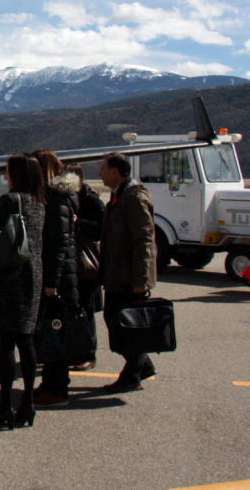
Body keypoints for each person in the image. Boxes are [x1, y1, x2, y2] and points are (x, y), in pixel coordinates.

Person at [0, 154, 45, 428]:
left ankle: (5, 407)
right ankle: (27, 404)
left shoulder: (9, 201)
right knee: (26, 340)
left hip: (8, 277)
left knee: (5, 345)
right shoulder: (40, 203)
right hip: (33, 277)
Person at [99, 152, 158, 392]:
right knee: (113, 319)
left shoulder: (134, 198)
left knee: (126, 325)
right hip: (116, 273)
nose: (100, 172)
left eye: (103, 168)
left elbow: (144, 239)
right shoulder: (118, 196)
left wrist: (140, 279)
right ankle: (142, 365)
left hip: (128, 276)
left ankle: (131, 375)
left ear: (116, 171)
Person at [30, 149, 81, 408]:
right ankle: (50, 384)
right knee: (51, 333)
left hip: (59, 280)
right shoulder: (54, 198)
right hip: (59, 276)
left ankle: (58, 390)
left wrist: (51, 282)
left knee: (56, 333)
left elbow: (59, 245)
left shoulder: (57, 200)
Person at [68, 162, 105, 371]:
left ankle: (88, 354)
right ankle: (75, 351)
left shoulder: (91, 200)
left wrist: (78, 222)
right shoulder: (70, 199)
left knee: (86, 310)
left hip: (86, 264)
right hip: (73, 262)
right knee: (75, 310)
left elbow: (101, 230)